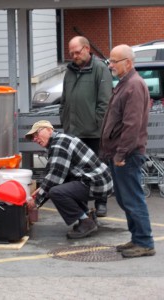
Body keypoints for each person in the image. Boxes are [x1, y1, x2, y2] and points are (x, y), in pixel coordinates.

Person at [100, 44, 155, 258]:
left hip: (127, 154)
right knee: (125, 199)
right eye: (110, 61)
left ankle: (144, 242)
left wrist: (121, 154)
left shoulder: (133, 85)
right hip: (121, 153)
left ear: (128, 63)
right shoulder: (126, 83)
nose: (111, 65)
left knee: (132, 198)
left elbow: (132, 124)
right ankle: (138, 239)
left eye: (115, 61)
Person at [25, 120, 113, 239]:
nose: (35, 139)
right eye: (32, 138)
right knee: (62, 186)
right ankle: (88, 216)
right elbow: (53, 174)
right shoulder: (59, 140)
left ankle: (86, 223)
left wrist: (36, 202)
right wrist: (41, 189)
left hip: (97, 182)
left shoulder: (59, 144)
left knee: (56, 192)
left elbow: (55, 177)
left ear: (49, 130)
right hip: (98, 180)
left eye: (37, 134)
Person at [59, 36, 113, 217]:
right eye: (71, 53)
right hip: (73, 132)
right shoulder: (70, 71)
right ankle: (81, 203)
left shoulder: (100, 69)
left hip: (94, 133)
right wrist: (64, 120)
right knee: (76, 171)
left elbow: (105, 102)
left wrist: (98, 127)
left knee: (98, 169)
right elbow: (64, 99)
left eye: (77, 52)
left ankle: (101, 202)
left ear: (87, 49)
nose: (74, 56)